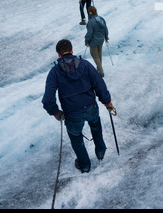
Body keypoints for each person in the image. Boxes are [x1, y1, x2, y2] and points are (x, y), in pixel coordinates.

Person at [42, 39, 116, 174]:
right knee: (96, 128)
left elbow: (48, 100)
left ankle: (85, 165)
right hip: (91, 107)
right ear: (71, 51)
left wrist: (56, 113)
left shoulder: (55, 72)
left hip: (72, 114)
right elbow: (99, 85)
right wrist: (108, 103)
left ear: (58, 55)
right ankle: (100, 153)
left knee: (76, 139)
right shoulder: (85, 65)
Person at [85, 6, 109, 77]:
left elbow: (89, 33)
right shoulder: (101, 19)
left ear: (90, 12)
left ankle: (100, 71)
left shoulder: (91, 22)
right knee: (99, 55)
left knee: (95, 56)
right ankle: (99, 69)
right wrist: (106, 37)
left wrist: (86, 41)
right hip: (101, 40)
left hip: (93, 42)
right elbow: (105, 28)